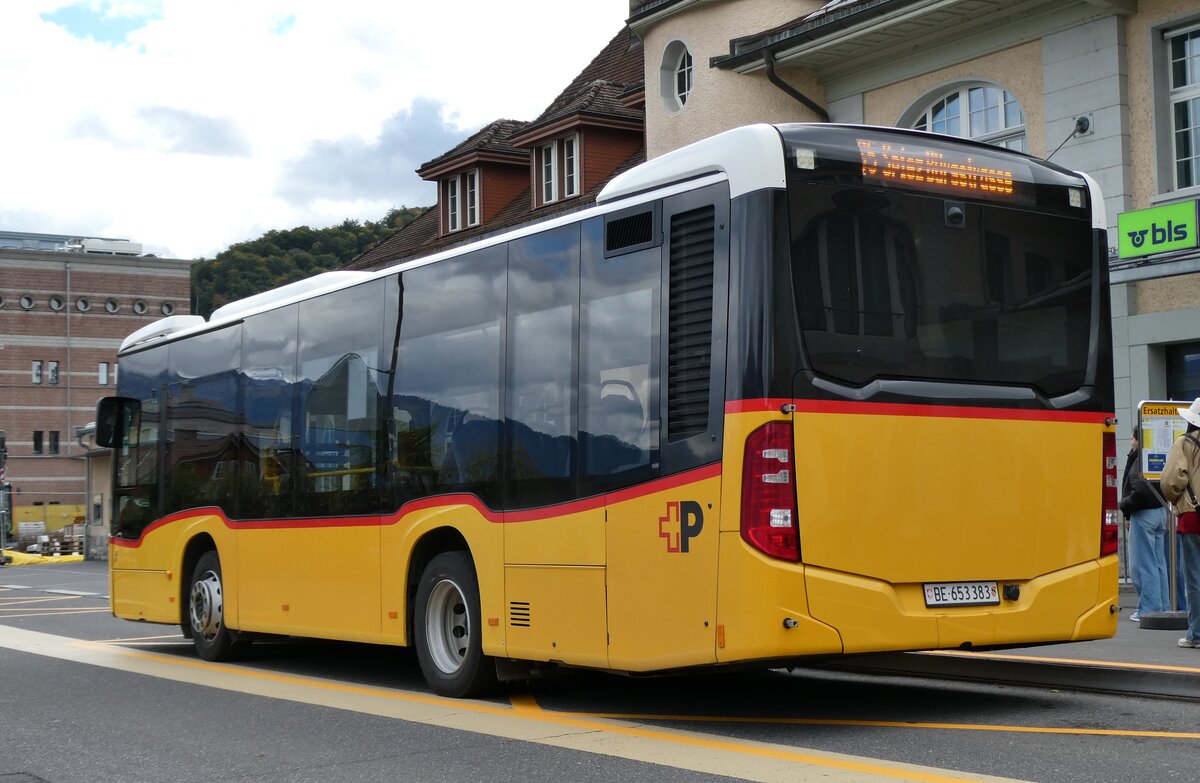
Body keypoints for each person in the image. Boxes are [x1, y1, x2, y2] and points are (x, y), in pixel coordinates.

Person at [1159, 398, 1200, 649]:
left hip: (1193, 516)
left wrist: (1177, 499)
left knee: (1194, 578)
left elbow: (1171, 480)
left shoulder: (1185, 443)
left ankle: (1196, 633)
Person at [1119, 431, 1169, 620]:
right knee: (1158, 564)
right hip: (1159, 512)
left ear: (1139, 439)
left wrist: (1124, 505)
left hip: (1143, 514)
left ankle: (1148, 608)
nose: (1130, 442)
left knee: (1142, 565)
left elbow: (1139, 490)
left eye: (1132, 439)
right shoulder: (1156, 456)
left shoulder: (1141, 461)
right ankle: (1162, 606)